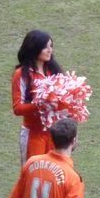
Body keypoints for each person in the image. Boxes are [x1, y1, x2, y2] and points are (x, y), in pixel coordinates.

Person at [12, 30, 63, 165]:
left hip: (55, 135)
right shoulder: (21, 74)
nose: (49, 50)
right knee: (34, 175)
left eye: (51, 46)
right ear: (34, 48)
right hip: (33, 135)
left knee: (55, 175)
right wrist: (40, 105)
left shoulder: (54, 71)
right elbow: (17, 108)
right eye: (45, 47)